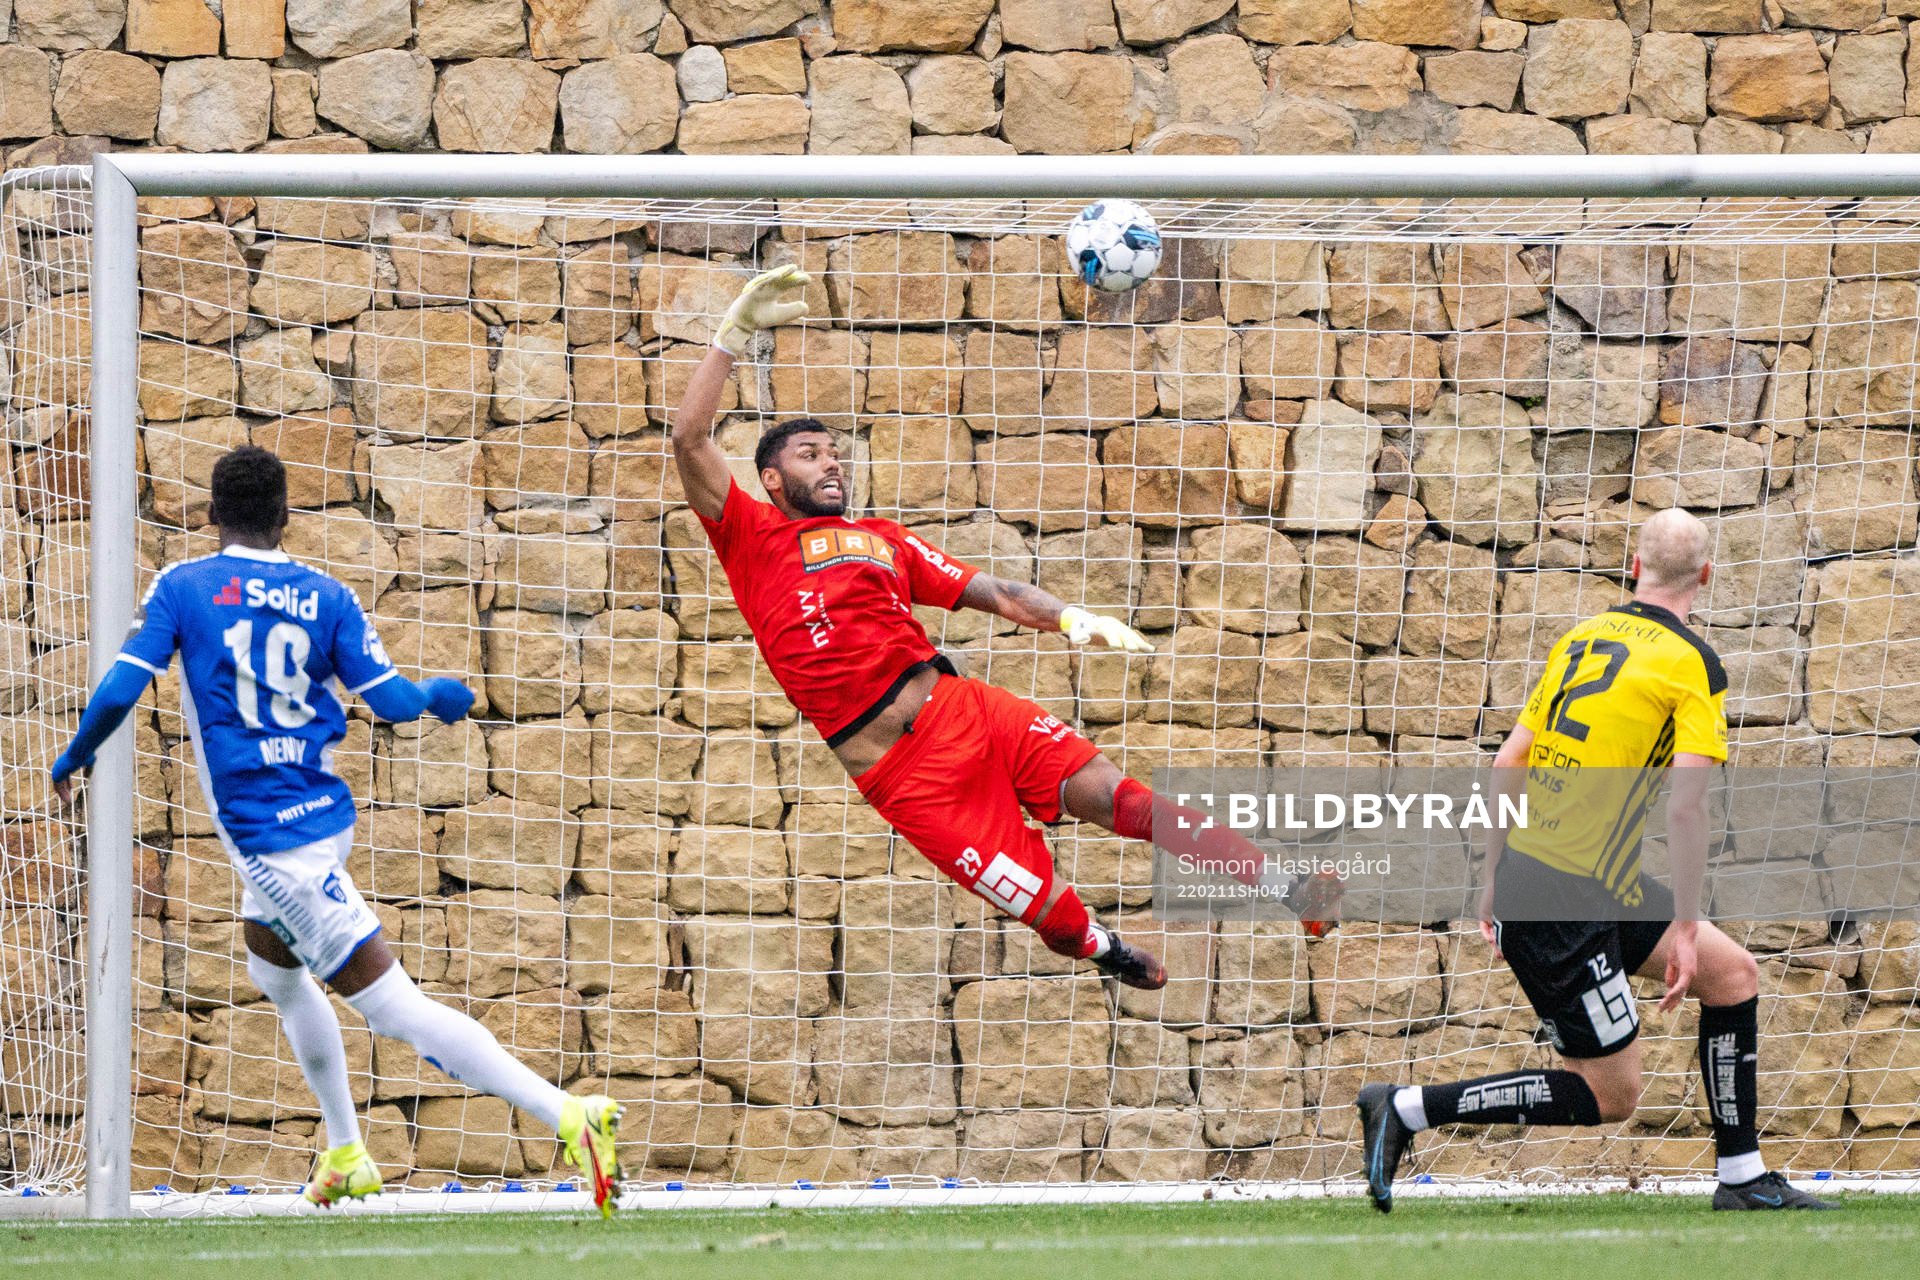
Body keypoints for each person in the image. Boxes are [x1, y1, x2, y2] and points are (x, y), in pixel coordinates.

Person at [670, 266, 1339, 992]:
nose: (831, 463)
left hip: (970, 712)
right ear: (771, 480)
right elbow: (687, 436)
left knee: (1124, 802)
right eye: (810, 455)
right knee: (1053, 916)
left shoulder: (882, 539)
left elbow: (998, 593)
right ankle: (1102, 948)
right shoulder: (749, 538)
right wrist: (732, 336)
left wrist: (1075, 617)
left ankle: (1290, 886)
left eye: (835, 452)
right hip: (910, 776)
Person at [50, 446, 625, 1215]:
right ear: (287, 517)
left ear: (211, 514)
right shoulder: (329, 596)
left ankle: (568, 1115)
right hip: (321, 814)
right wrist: (436, 695)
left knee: (391, 1007)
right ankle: (348, 1149)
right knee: (275, 971)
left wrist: (73, 758)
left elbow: (123, 686)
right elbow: (390, 702)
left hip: (272, 841)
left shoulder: (182, 586)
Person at [1354, 508, 1834, 1212]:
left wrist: (1490, 875)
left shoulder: (1583, 637)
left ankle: (1742, 1176)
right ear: (1706, 576)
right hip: (1560, 895)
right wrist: (1687, 928)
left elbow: (1508, 761)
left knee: (1734, 976)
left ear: (1634, 568)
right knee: (1610, 1094)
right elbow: (1687, 808)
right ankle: (1405, 1108)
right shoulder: (1692, 663)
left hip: (1567, 877)